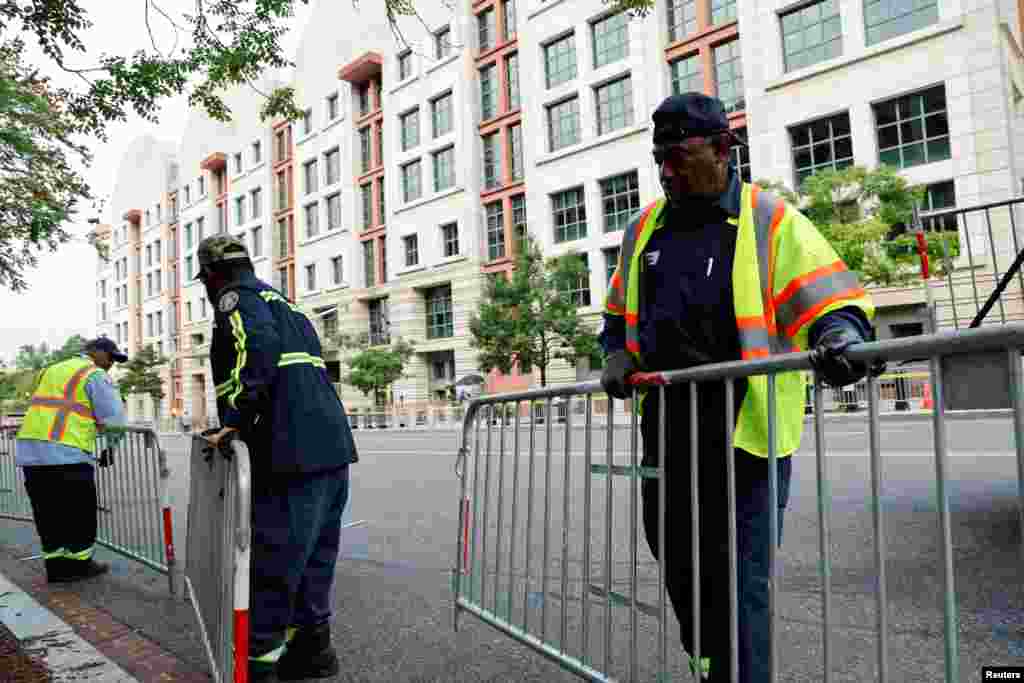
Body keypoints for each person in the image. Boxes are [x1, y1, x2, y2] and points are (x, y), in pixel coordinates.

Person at [599, 93, 882, 682]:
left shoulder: (768, 219)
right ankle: (713, 663)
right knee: (677, 562)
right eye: (660, 158)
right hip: (668, 433)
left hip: (745, 435)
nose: (667, 171)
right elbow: (615, 314)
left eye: (681, 156)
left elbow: (830, 298)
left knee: (740, 578)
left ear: (725, 150)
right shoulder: (642, 228)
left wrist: (841, 337)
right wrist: (614, 353)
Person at [195, 234, 358, 682]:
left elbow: (258, 348)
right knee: (314, 558)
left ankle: (260, 661)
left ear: (211, 275)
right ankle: (313, 650)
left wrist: (235, 417)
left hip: (287, 451)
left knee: (273, 561)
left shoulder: (236, 298)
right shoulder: (286, 302)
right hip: (329, 447)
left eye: (206, 281)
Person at [15, 337, 128, 583]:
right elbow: (115, 419)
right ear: (95, 352)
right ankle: (80, 566)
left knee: (48, 515)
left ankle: (55, 569)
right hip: (68, 455)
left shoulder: (52, 369)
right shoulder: (94, 374)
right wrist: (111, 447)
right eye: (111, 357)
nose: (111, 364)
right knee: (79, 514)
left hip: (32, 454)